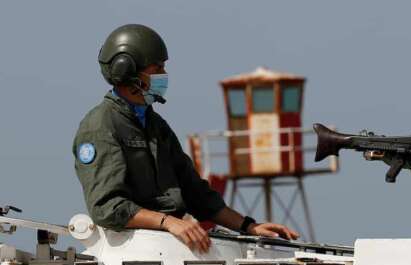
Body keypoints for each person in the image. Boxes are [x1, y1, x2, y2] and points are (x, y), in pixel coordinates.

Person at [72, 24, 298, 252]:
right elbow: (107, 208)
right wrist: (167, 222)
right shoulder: (100, 126)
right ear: (128, 71)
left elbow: (196, 193)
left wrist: (249, 226)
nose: (164, 75)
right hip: (133, 251)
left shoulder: (155, 125)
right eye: (157, 68)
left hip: (171, 247)